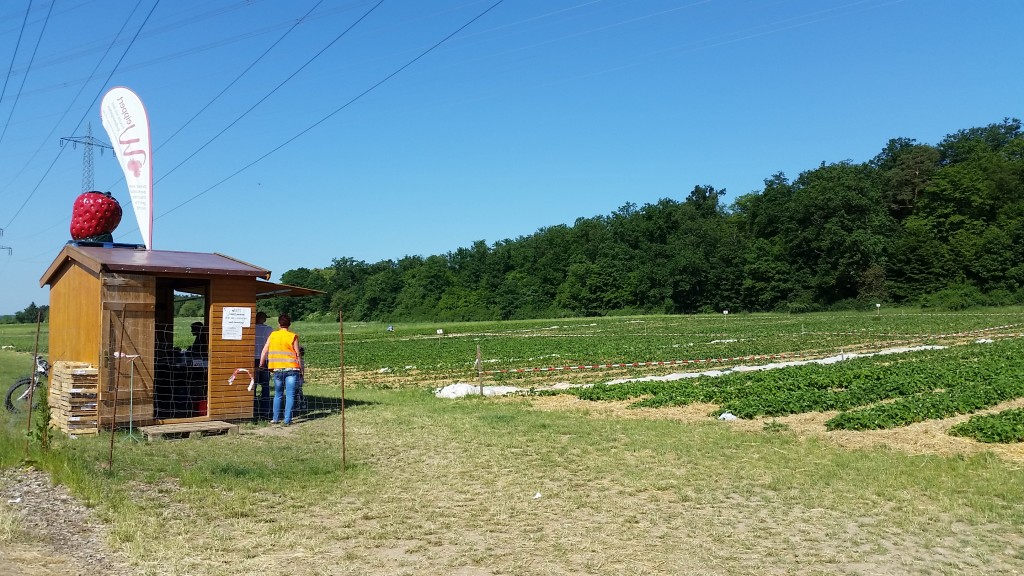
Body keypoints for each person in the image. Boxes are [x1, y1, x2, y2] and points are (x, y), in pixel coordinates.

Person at [259, 313, 302, 425]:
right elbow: (297, 354)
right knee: (290, 394)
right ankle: (287, 420)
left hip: (277, 369)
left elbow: (264, 350)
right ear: (289, 324)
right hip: (292, 368)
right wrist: (301, 369)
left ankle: (275, 418)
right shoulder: (293, 336)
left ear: (279, 324)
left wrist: (261, 364)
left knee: (278, 394)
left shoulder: (273, 335)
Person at [253, 312, 273, 419]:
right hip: (265, 359)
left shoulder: (251, 328)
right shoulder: (269, 329)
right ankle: (265, 410)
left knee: (253, 385)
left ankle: (253, 408)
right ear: (264, 319)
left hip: (253, 358)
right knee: (265, 385)